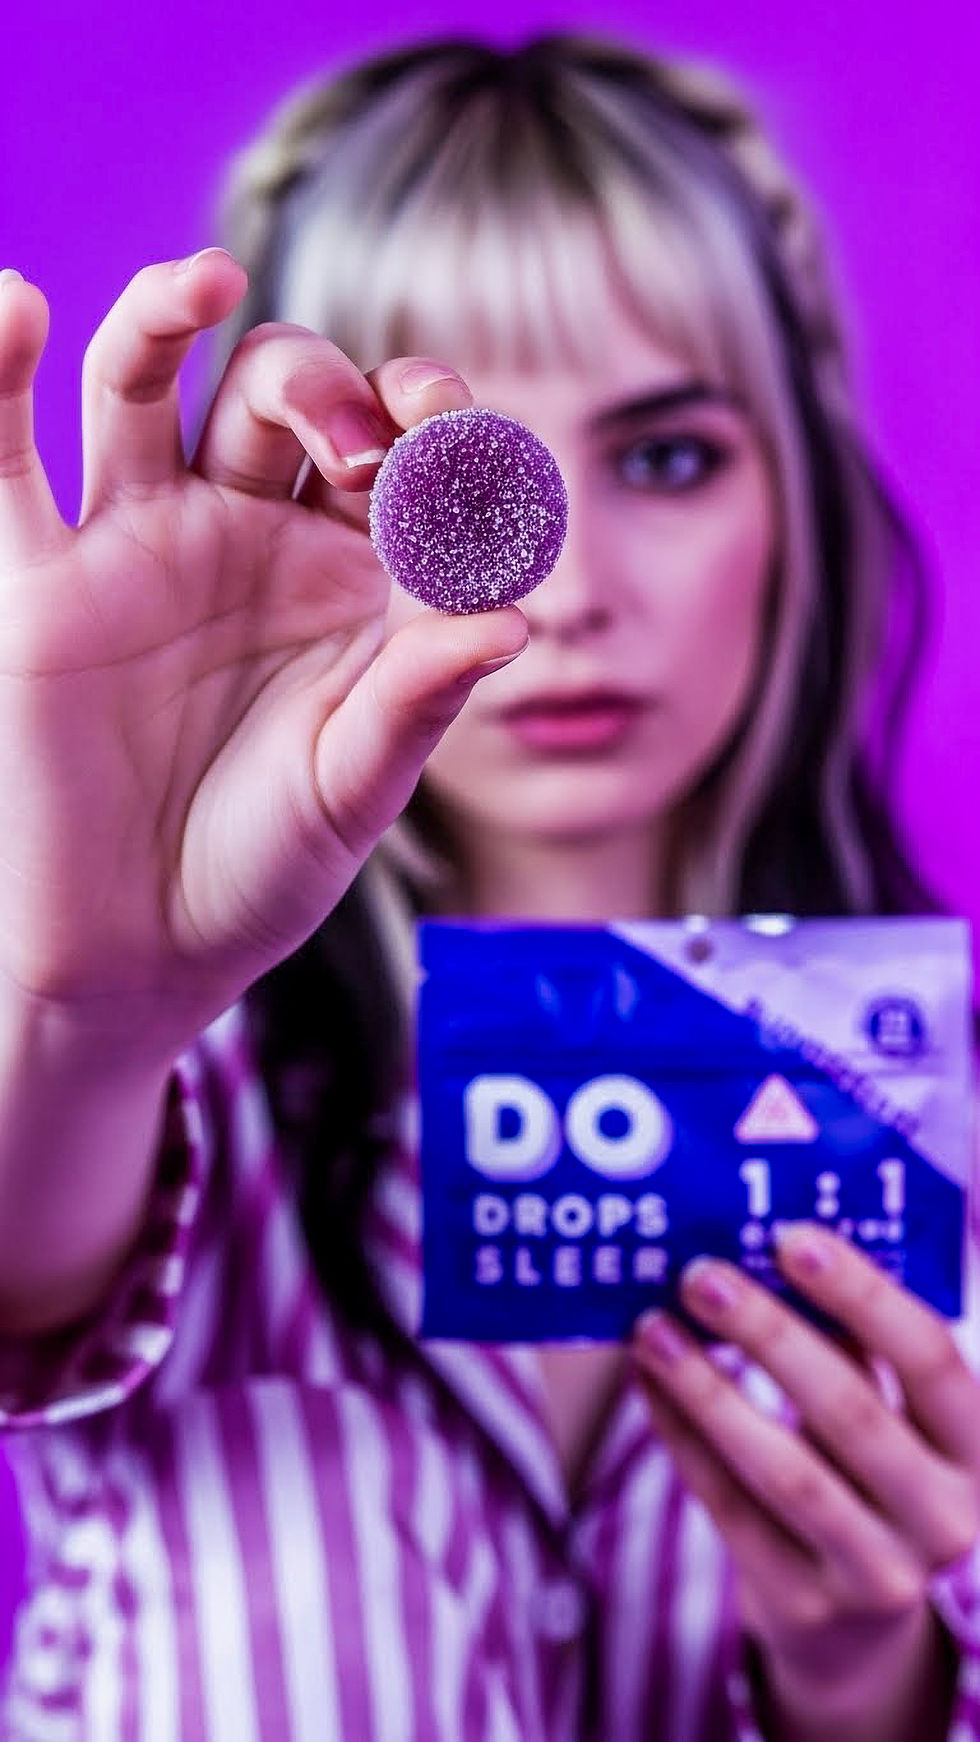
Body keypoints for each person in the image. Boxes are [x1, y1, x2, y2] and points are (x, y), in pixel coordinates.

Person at [0, 31, 977, 1742]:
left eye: (667, 455)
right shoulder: (166, 1094)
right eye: (458, 482)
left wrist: (864, 1672)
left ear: (794, 497)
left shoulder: (937, 1124)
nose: (573, 583)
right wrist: (85, 1018)